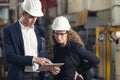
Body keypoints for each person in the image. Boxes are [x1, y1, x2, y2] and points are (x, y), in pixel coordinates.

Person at [2, 0, 60, 80]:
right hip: (19, 76)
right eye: (31, 17)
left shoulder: (40, 31)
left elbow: (41, 53)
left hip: (39, 76)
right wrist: (34, 59)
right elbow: (9, 56)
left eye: (36, 17)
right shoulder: (9, 31)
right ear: (23, 13)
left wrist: (49, 66)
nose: (34, 20)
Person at [50, 16, 100, 80]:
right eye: (56, 33)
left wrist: (79, 71)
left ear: (68, 33)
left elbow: (95, 60)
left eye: (61, 34)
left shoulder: (75, 47)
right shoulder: (56, 48)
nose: (58, 37)